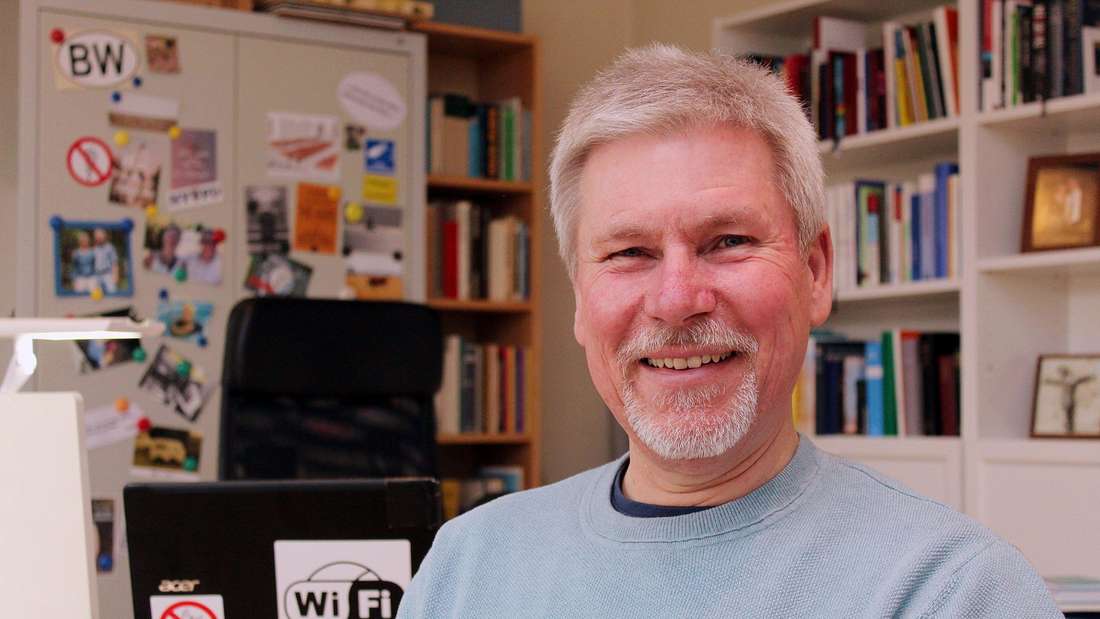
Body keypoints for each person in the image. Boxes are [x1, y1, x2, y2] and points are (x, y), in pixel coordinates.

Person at [399, 46, 1060, 617]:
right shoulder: (466, 567)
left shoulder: (951, 590)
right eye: (629, 252)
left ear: (816, 271)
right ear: (579, 297)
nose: (676, 300)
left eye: (729, 241)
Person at [92, 227, 119, 294]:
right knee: (96, 295)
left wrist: (115, 276)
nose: (98, 237)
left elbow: (114, 263)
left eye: (100, 235)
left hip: (107, 274)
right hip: (97, 275)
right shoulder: (94, 248)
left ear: (104, 236)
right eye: (97, 235)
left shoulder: (110, 247)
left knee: (112, 293)